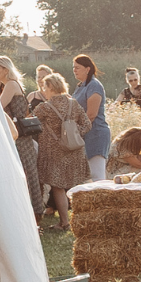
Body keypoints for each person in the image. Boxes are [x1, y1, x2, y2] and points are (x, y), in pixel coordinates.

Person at [34, 72, 92, 232]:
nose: (43, 90)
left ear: (50, 87)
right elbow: (87, 125)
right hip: (75, 151)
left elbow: (31, 123)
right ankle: (84, 219)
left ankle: (65, 222)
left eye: (44, 87)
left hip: (54, 152)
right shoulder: (74, 104)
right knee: (77, 184)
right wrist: (72, 134)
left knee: (58, 187)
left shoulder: (44, 108)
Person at [0, 56, 43, 221]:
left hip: (18, 136)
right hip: (21, 135)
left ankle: (29, 211)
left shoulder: (11, 85)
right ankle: (33, 210)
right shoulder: (12, 85)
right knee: (27, 171)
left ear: (6, 69)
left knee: (23, 171)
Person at [71, 56, 112, 184]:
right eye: (73, 67)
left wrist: (77, 131)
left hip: (96, 134)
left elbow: (91, 114)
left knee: (96, 175)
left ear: (87, 69)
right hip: (84, 135)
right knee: (85, 178)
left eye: (77, 67)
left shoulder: (94, 85)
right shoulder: (81, 86)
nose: (74, 70)